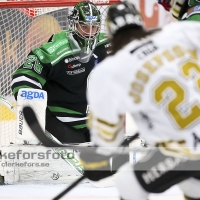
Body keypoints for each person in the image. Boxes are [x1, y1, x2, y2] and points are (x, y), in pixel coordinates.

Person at [78, 1, 200, 200]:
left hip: (183, 149)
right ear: (140, 23)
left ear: (110, 33)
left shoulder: (109, 70)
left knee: (128, 181)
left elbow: (109, 141)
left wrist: (99, 162)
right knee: (192, 183)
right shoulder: (179, 33)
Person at [11, 1, 111, 144]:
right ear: (73, 25)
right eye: (84, 26)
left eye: (93, 27)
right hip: (62, 122)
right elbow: (22, 76)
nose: (89, 33)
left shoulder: (108, 44)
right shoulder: (54, 50)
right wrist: (32, 109)